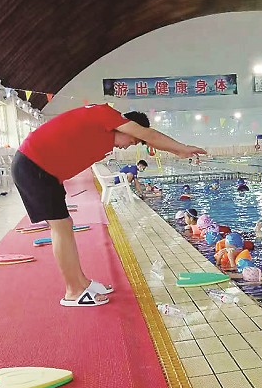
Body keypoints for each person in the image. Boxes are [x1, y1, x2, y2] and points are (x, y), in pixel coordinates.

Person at [12, 104, 205, 307]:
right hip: (34, 166)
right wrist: (182, 149)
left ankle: (81, 283)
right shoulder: (106, 116)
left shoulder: (103, 130)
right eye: (132, 141)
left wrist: (177, 150)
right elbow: (150, 135)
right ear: (128, 126)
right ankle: (73, 291)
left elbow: (148, 138)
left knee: (65, 225)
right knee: (61, 227)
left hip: (45, 170)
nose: (127, 146)